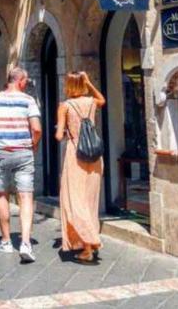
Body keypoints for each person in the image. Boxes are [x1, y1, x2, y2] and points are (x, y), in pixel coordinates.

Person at [0, 67, 42, 263]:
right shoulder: (28, 100)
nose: (26, 83)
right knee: (26, 197)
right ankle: (25, 242)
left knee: (2, 194)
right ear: (21, 80)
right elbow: (37, 129)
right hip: (23, 151)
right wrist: (33, 146)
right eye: (26, 80)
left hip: (1, 152)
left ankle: (6, 241)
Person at [55, 71, 106, 263]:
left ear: (68, 85)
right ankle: (88, 244)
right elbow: (102, 99)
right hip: (94, 157)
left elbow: (59, 136)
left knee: (73, 200)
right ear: (82, 84)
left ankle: (89, 242)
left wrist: (65, 131)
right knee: (90, 201)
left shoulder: (65, 106)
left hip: (75, 156)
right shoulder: (92, 103)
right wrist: (90, 82)